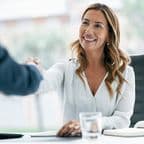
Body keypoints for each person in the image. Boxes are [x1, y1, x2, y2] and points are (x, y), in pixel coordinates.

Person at [32, 3, 135, 136]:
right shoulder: (64, 68)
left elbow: (122, 120)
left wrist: (90, 124)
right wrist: (33, 71)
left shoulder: (125, 73)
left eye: (97, 25)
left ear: (109, 35)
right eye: (85, 23)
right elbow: (42, 84)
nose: (88, 30)